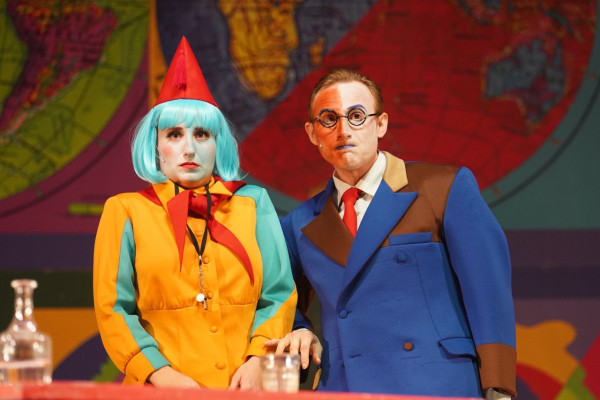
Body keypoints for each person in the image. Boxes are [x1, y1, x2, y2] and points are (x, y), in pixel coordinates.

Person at [269, 68, 516, 399]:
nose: (343, 130)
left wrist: (498, 385)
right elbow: (274, 298)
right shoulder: (299, 223)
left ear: (381, 124)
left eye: (357, 116)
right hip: (345, 386)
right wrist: (299, 328)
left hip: (436, 383)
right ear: (313, 133)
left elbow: (487, 288)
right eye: (329, 119)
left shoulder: (442, 188)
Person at [93, 37, 297, 390]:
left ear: (218, 144)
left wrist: (258, 359)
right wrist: (163, 376)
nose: (189, 148)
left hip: (246, 389)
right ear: (156, 145)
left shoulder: (253, 203)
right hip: (158, 391)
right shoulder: (125, 210)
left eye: (202, 134)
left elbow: (279, 294)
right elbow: (113, 311)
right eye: (174, 134)